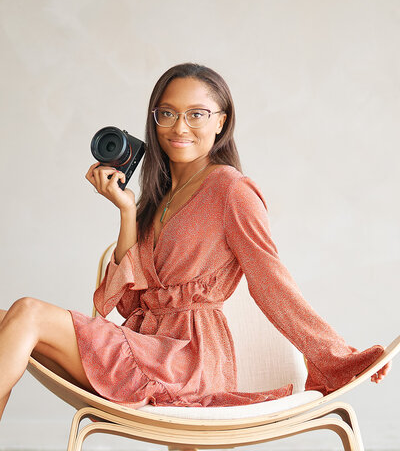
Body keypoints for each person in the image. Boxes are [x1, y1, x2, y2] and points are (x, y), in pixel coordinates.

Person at [0, 63, 392, 416]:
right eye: (167, 114)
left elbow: (273, 282)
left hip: (187, 360)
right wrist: (125, 210)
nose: (179, 127)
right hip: (145, 346)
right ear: (154, 120)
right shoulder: (158, 198)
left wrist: (338, 357)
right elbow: (129, 303)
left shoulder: (231, 190)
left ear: (221, 121)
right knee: (5, 321)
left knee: (28, 312)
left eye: (196, 115)